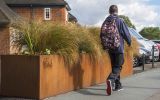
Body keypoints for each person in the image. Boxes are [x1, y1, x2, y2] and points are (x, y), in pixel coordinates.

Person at [100, 5, 131, 95]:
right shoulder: (120, 20)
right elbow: (126, 33)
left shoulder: (106, 21)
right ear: (117, 11)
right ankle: (110, 79)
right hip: (118, 47)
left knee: (114, 66)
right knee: (118, 66)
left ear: (109, 11)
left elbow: (101, 34)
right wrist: (129, 42)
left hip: (110, 48)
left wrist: (104, 46)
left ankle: (117, 85)